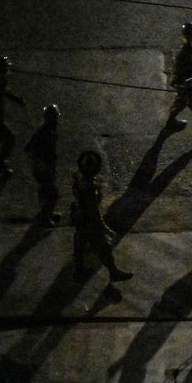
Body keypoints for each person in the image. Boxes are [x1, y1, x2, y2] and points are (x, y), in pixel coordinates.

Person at [70, 150, 133, 283]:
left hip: (80, 219)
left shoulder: (80, 179)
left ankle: (78, 272)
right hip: (89, 223)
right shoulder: (90, 187)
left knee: (80, 245)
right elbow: (93, 212)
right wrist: (105, 228)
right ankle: (113, 273)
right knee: (103, 247)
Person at [24, 103, 62, 225]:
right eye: (55, 117)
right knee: (53, 193)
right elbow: (28, 147)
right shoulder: (43, 132)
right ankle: (44, 217)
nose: (57, 119)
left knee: (46, 190)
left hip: (48, 166)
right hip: (42, 166)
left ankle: (46, 212)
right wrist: (38, 158)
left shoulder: (50, 130)